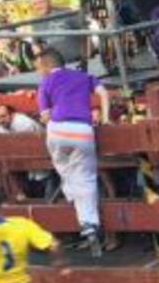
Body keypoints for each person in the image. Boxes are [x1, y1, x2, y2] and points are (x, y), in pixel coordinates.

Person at [35, 48, 110, 254]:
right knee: (86, 177)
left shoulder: (45, 83)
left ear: (47, 66)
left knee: (64, 169)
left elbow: (45, 116)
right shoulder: (84, 76)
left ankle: (72, 197)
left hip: (57, 130)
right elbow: (103, 93)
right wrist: (105, 118)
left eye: (39, 67)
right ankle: (89, 223)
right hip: (82, 130)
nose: (38, 71)